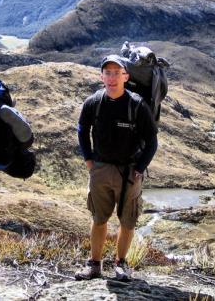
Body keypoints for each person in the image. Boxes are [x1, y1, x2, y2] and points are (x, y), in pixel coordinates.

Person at [75, 55, 158, 281]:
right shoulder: (93, 102)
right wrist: (89, 161)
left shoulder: (137, 105)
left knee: (127, 221)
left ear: (126, 76)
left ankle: (121, 264)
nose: (112, 78)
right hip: (100, 169)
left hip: (129, 172)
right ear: (102, 76)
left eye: (116, 73)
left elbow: (152, 141)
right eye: (107, 73)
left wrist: (140, 168)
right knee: (99, 218)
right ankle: (95, 265)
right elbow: (82, 130)